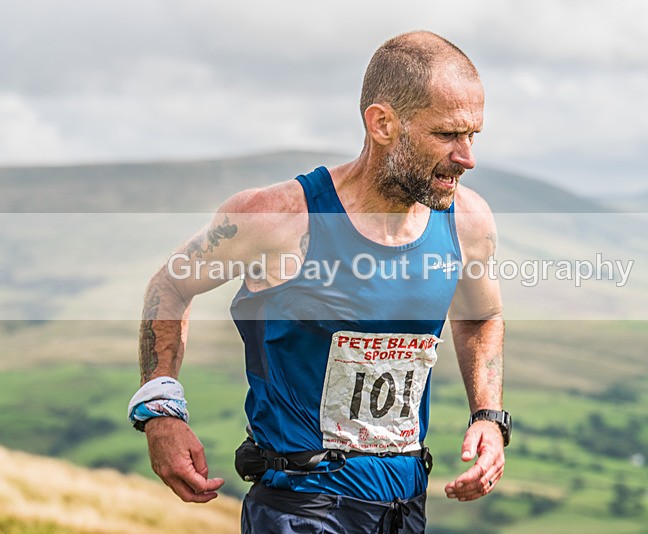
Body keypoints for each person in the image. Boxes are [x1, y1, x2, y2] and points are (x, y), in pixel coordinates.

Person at [128, 30, 510, 533]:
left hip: (403, 509)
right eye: (446, 135)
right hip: (299, 508)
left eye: (472, 135)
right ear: (382, 124)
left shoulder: (467, 222)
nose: (467, 157)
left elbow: (480, 314)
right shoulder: (278, 218)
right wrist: (161, 411)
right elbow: (170, 286)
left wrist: (488, 415)